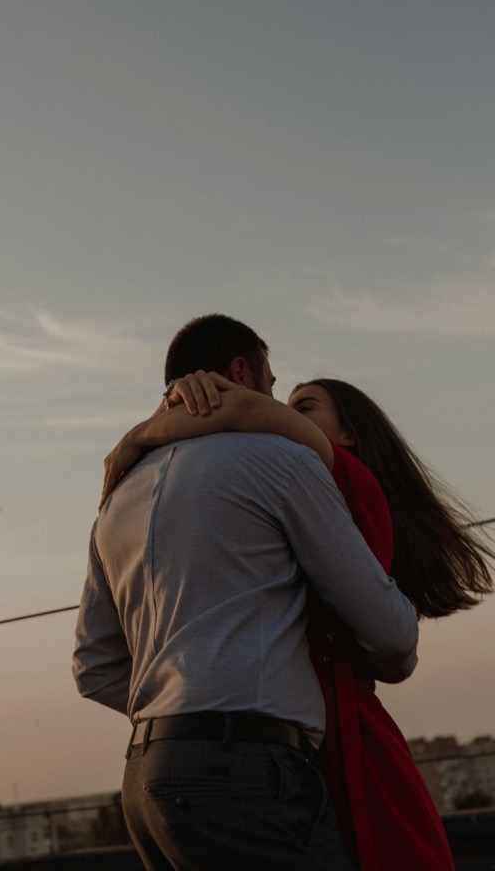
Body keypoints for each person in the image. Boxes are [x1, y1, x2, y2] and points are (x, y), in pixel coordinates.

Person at [101, 365, 493, 870]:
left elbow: (243, 409)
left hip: (339, 745)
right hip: (295, 748)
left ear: (348, 432)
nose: (282, 416)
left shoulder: (336, 473)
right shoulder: (307, 485)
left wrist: (140, 434)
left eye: (303, 407)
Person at [73, 314, 419, 871]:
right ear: (242, 372)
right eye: (275, 384)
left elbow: (94, 667)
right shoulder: (282, 461)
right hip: (246, 771)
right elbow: (392, 635)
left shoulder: (115, 500)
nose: (278, 401)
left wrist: (178, 710)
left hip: (144, 782)